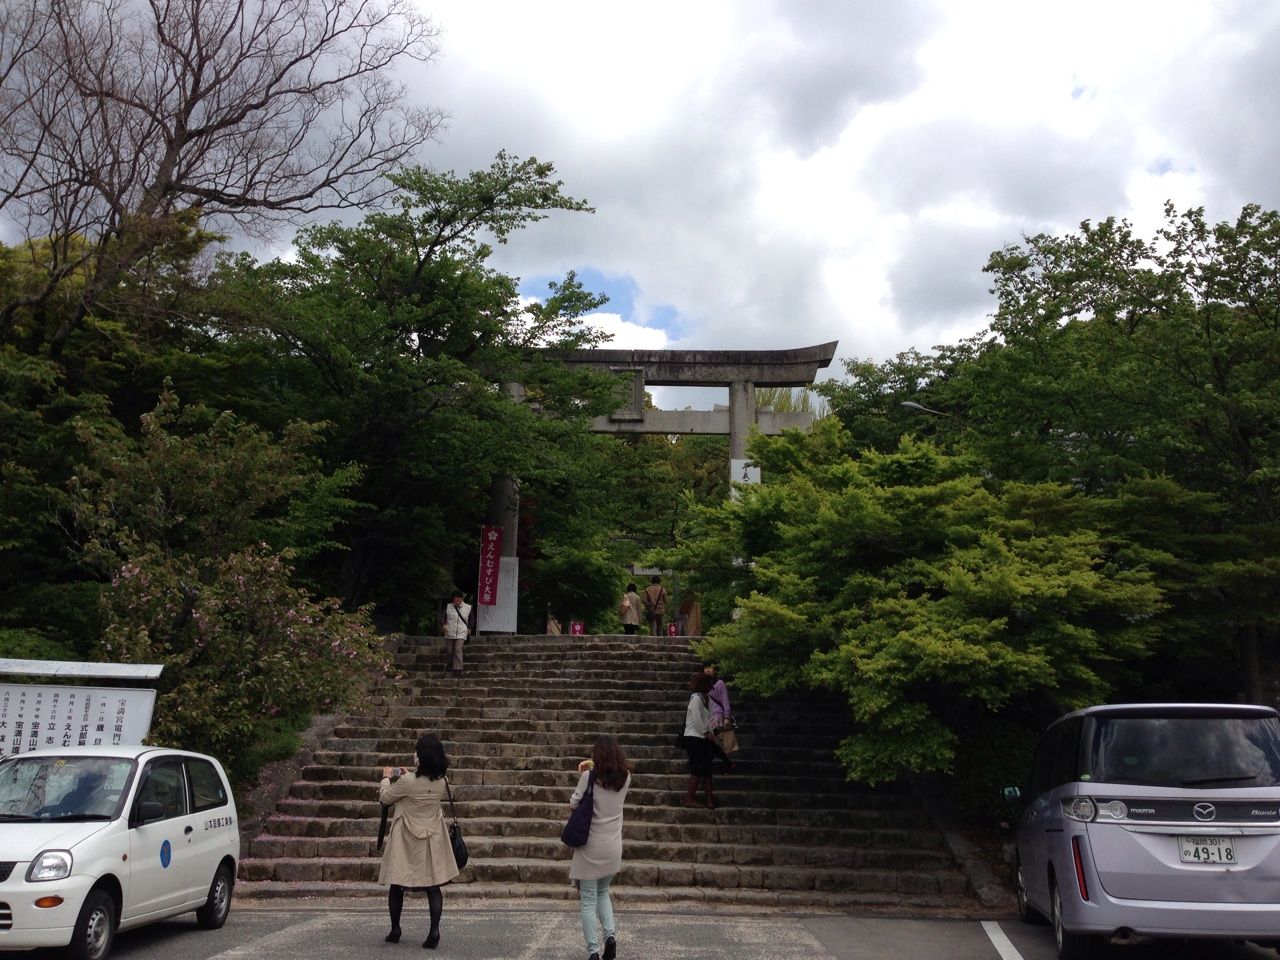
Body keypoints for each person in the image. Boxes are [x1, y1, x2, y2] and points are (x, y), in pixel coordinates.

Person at [378, 734, 460, 948]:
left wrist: (386, 778)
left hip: (406, 838)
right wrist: (409, 775)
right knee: (433, 887)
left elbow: (386, 798)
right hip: (432, 836)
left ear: (421, 756)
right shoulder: (443, 781)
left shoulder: (406, 782)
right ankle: (434, 931)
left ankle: (395, 930)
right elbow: (423, 784)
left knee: (397, 884)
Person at [568, 735, 633, 960]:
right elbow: (609, 770)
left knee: (588, 900)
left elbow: (574, 802)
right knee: (603, 892)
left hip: (590, 847)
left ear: (597, 755)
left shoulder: (589, 777)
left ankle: (593, 951)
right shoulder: (626, 778)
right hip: (613, 847)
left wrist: (586, 771)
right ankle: (610, 937)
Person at [680, 673, 717, 808]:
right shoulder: (696, 698)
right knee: (697, 768)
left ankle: (709, 799)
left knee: (707, 769)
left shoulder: (704, 698)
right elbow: (696, 719)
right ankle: (689, 798)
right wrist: (707, 733)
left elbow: (707, 719)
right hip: (694, 737)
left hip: (704, 737)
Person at [703, 661, 735, 774]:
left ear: (715, 670)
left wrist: (726, 717)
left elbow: (725, 701)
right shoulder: (705, 685)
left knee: (709, 742)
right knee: (709, 743)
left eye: (710, 668)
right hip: (710, 718)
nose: (707, 670)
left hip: (718, 717)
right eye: (705, 668)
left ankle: (709, 768)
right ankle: (727, 764)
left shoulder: (720, 683)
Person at [442, 591, 471, 677]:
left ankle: (458, 668)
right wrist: (443, 624)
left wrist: (469, 628)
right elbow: (442, 617)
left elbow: (472, 619)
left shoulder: (468, 607)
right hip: (450, 631)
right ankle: (450, 664)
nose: (457, 599)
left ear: (462, 598)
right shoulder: (448, 606)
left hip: (462, 632)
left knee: (458, 649)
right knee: (449, 650)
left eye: (458, 597)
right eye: (455, 597)